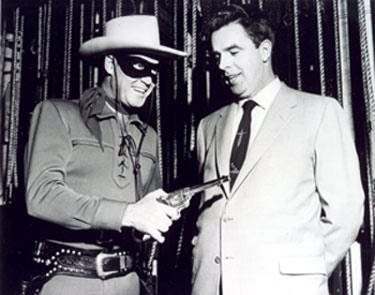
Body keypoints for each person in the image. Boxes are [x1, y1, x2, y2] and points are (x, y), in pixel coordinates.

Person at [191, 4, 364, 295]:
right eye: (217, 56)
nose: (222, 65)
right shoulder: (208, 126)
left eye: (233, 52)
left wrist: (301, 271)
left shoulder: (319, 112)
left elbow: (345, 214)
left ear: (264, 50)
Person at [24, 15, 187, 295]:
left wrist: (160, 213)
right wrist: (128, 214)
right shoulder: (57, 114)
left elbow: (144, 213)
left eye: (154, 72)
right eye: (138, 66)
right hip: (69, 281)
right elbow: (41, 196)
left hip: (129, 282)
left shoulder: (148, 136)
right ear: (110, 63)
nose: (148, 81)